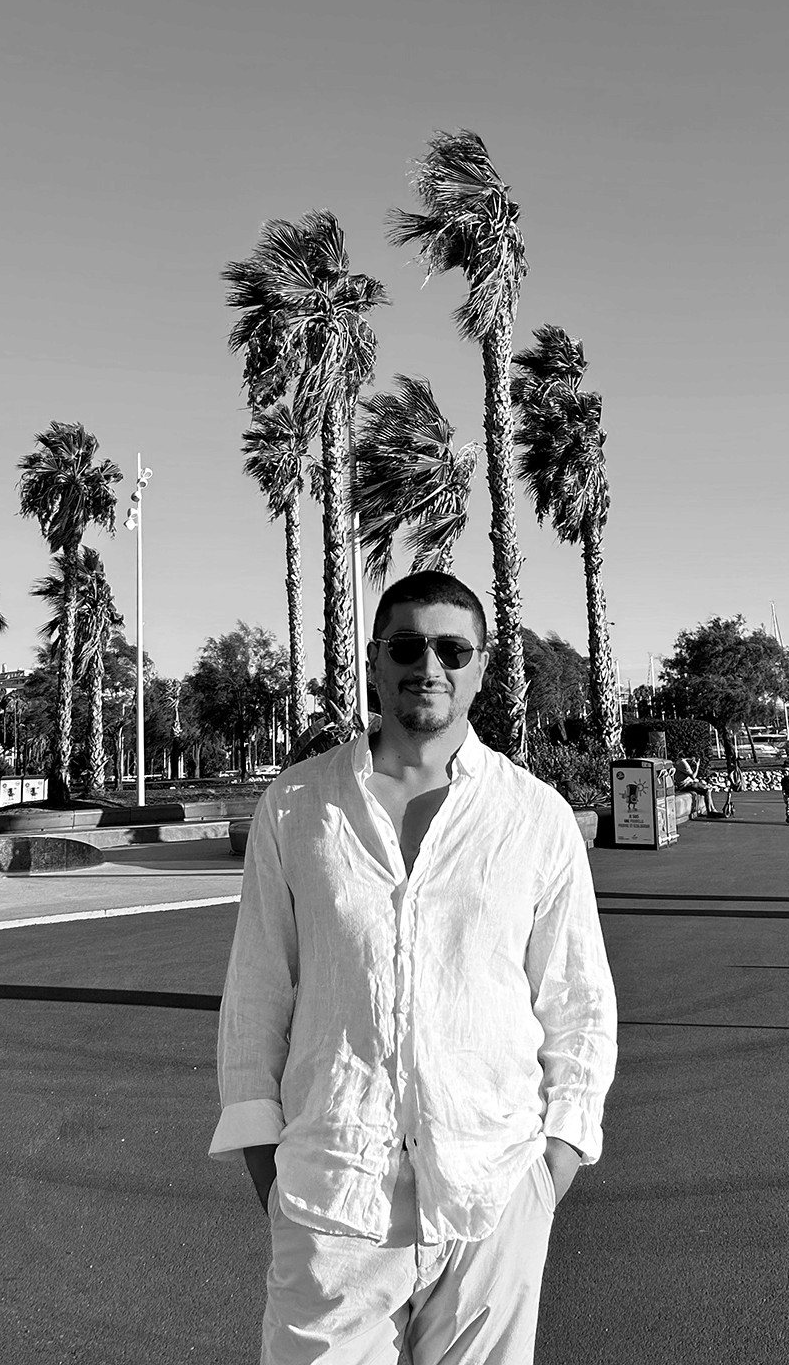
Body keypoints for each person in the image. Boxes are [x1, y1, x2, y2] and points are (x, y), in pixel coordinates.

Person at [211, 570, 618, 1365]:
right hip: (333, 1200)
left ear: (481, 666)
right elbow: (257, 993)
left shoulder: (534, 818)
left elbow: (578, 1005)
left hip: (492, 1193)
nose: (427, 665)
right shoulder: (297, 808)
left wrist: (550, 1171)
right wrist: (272, 1172)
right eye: (406, 645)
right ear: (373, 659)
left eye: (451, 648)